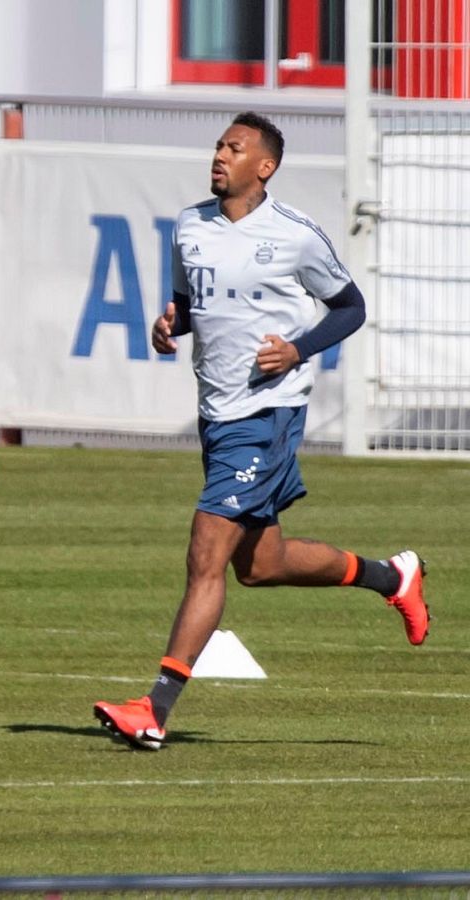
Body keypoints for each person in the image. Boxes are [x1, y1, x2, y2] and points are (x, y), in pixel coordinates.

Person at [93, 112, 430, 751]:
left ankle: (153, 711)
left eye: (234, 147)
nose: (219, 155)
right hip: (216, 415)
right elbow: (191, 307)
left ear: (264, 166)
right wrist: (171, 327)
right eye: (219, 145)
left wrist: (297, 351)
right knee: (260, 564)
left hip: (267, 414)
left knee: (205, 554)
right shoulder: (190, 225)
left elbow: (352, 307)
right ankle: (392, 578)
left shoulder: (296, 235)